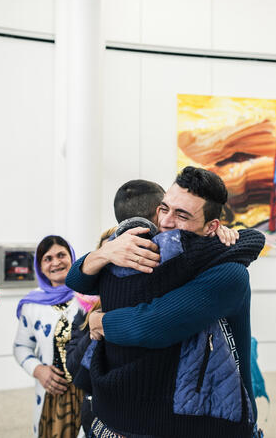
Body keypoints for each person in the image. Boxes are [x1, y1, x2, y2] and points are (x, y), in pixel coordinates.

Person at [66, 167, 265, 438]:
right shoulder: (158, 253)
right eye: (164, 208)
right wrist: (104, 253)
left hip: (212, 415)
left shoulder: (229, 273)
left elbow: (152, 324)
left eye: (182, 215)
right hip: (150, 407)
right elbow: (77, 279)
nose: (166, 222)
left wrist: (101, 320)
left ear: (212, 227)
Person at [14, 235, 98, 438]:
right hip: (53, 395)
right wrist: (38, 370)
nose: (56, 262)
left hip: (89, 392)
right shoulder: (31, 304)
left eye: (61, 255)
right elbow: (21, 347)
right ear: (40, 266)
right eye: (48, 258)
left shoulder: (91, 295)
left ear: (72, 258)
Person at [65, 228, 112, 438]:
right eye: (105, 258)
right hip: (93, 416)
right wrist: (94, 327)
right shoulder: (86, 308)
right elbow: (73, 366)